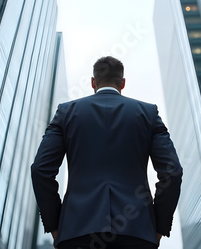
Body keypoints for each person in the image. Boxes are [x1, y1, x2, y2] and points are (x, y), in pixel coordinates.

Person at [31, 56, 182, 249]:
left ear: (93, 82)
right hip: (136, 232)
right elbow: (172, 172)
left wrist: (54, 224)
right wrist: (158, 226)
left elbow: (40, 170)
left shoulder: (65, 112)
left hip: (77, 232)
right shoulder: (149, 114)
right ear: (123, 83)